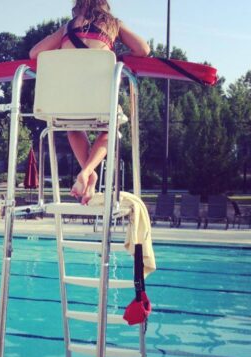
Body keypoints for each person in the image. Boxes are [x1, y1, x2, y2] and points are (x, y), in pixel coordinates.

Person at [29, 0, 150, 205]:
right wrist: (117, 56)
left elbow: (34, 53)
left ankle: (88, 173)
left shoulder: (67, 27)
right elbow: (143, 50)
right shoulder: (113, 24)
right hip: (100, 100)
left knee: (72, 127)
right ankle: (87, 171)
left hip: (66, 103)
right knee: (111, 128)